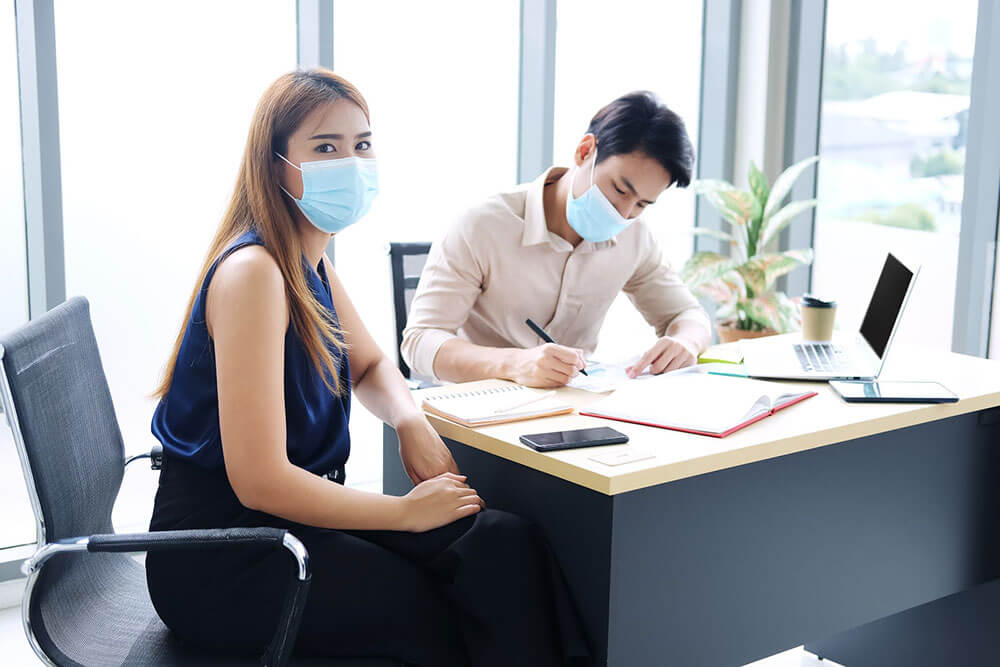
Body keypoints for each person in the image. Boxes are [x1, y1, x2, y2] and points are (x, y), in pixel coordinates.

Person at [145, 68, 588, 667]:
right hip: (226, 552)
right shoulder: (254, 271)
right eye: (325, 148)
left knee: (501, 545)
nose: (350, 163)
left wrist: (410, 421)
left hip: (289, 520)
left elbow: (373, 363)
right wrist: (404, 513)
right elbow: (260, 482)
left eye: (362, 144)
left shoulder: (309, 260)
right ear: (276, 164)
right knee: (437, 606)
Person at [401, 91, 711, 388]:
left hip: (572, 415)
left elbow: (688, 315)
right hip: (477, 418)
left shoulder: (636, 237)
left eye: (642, 204)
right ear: (585, 151)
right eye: (619, 189)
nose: (623, 213)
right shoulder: (483, 224)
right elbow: (420, 341)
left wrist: (685, 342)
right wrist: (515, 365)